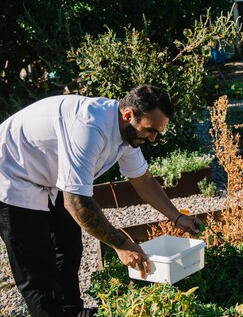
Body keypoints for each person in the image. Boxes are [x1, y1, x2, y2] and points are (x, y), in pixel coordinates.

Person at [0, 85, 202, 317]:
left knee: (68, 247)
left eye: (158, 132)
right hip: (10, 175)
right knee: (37, 269)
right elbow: (76, 202)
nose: (153, 138)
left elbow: (143, 180)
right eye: (150, 130)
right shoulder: (89, 128)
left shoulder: (128, 134)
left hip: (48, 178)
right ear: (128, 115)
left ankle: (72, 311)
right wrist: (122, 245)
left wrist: (177, 217)